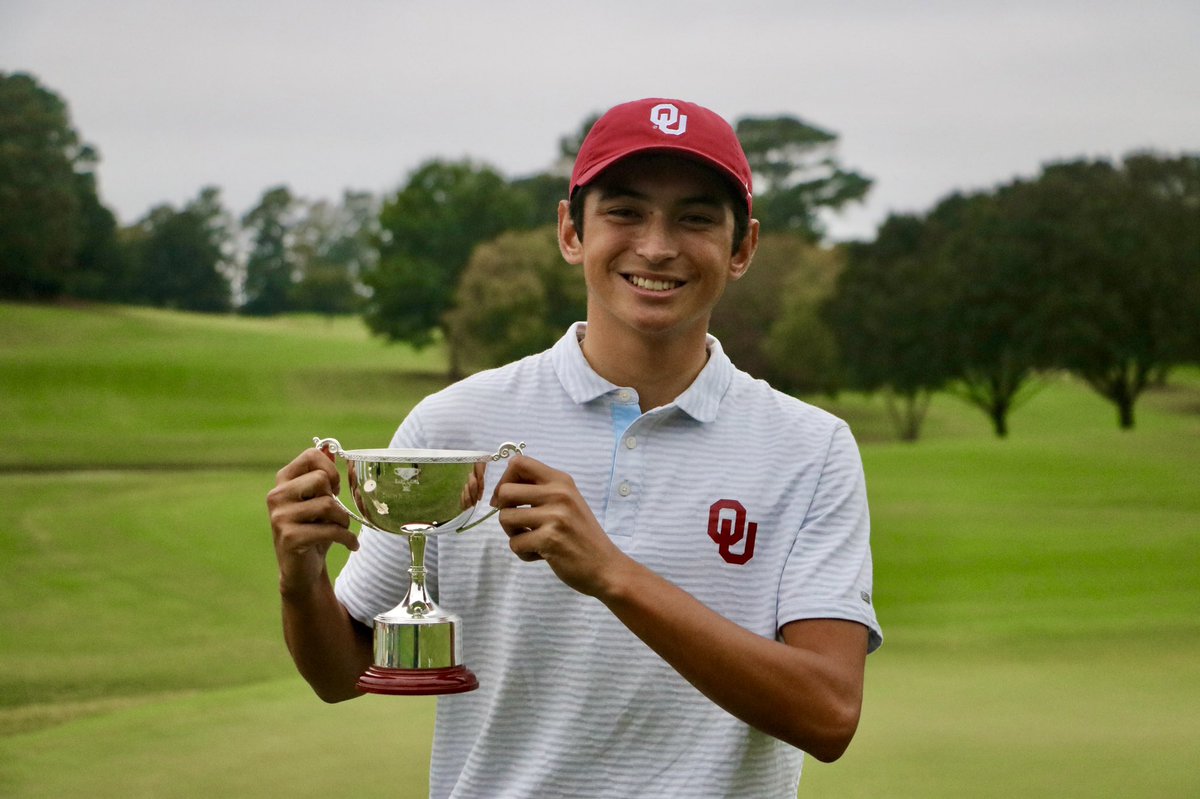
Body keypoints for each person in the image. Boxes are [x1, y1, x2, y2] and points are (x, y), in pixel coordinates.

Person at [268, 97, 882, 798]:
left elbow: (829, 714)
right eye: (624, 212)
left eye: (696, 218)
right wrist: (301, 582)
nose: (657, 246)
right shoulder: (454, 424)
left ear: (741, 248)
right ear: (570, 231)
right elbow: (342, 673)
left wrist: (610, 571)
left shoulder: (811, 448)